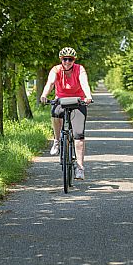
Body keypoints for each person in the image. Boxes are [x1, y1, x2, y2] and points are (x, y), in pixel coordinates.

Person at [40, 47, 92, 180]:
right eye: (65, 59)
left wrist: (88, 96)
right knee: (55, 113)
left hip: (78, 101)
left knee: (79, 136)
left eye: (70, 59)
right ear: (61, 60)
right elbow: (50, 83)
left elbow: (84, 82)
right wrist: (45, 94)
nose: (67, 62)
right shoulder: (56, 70)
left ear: (74, 60)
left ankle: (80, 168)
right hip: (61, 100)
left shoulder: (79, 69)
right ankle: (57, 140)